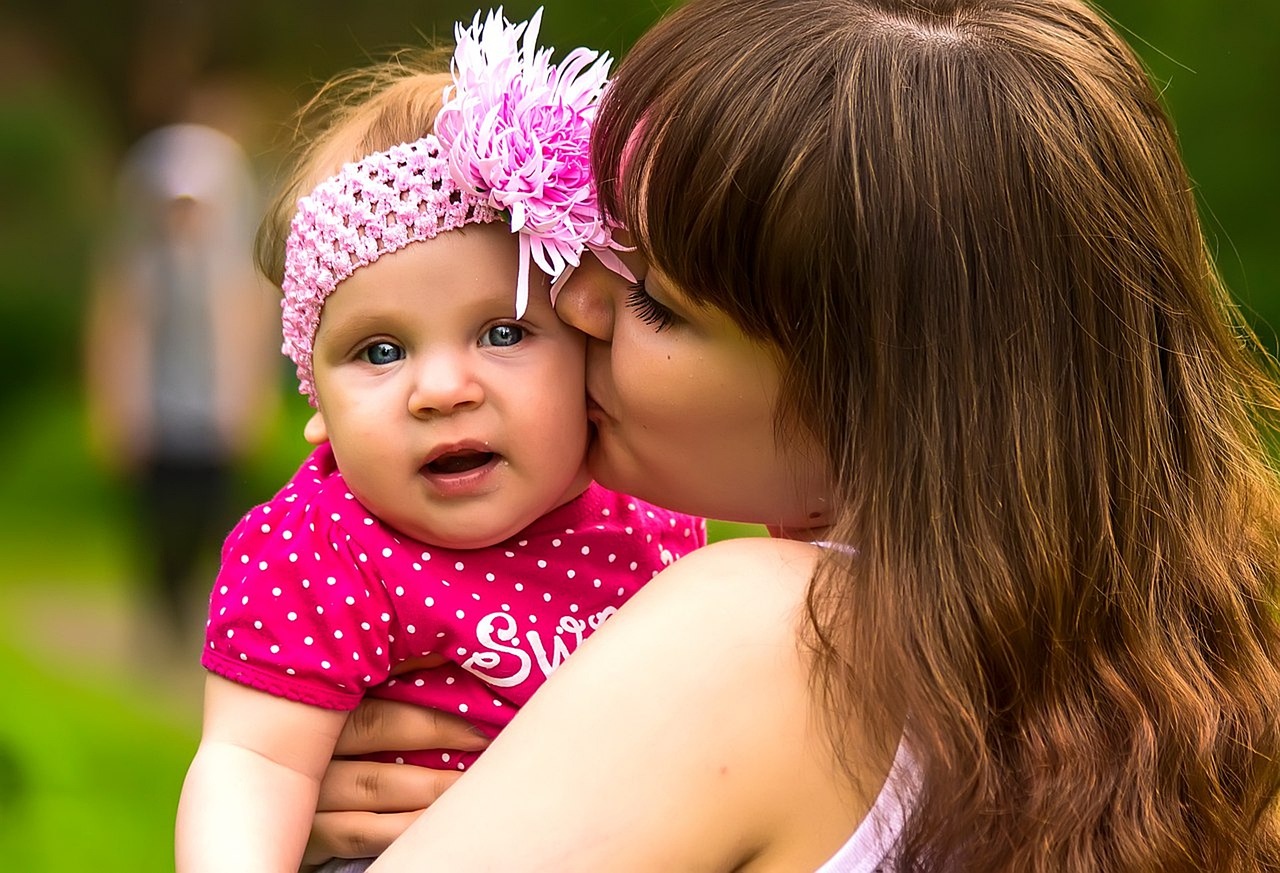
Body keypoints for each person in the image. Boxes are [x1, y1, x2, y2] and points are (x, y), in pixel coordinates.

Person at [301, 0, 1280, 871]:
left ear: (874, 397)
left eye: (654, 300)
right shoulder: (1181, 675)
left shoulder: (761, 637)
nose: (577, 300)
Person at [174, 12, 705, 873]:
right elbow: (253, 760)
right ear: (320, 408)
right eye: (379, 352)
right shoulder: (323, 546)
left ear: (589, 348)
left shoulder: (656, 508)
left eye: (502, 332)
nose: (442, 389)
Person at [85, 122, 279, 642]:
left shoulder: (232, 275)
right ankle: (162, 611)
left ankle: (208, 611)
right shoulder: (138, 271)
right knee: (157, 520)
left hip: (212, 416)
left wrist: (249, 403)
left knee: (212, 517)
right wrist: (115, 413)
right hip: (157, 415)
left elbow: (251, 346)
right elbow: (114, 342)